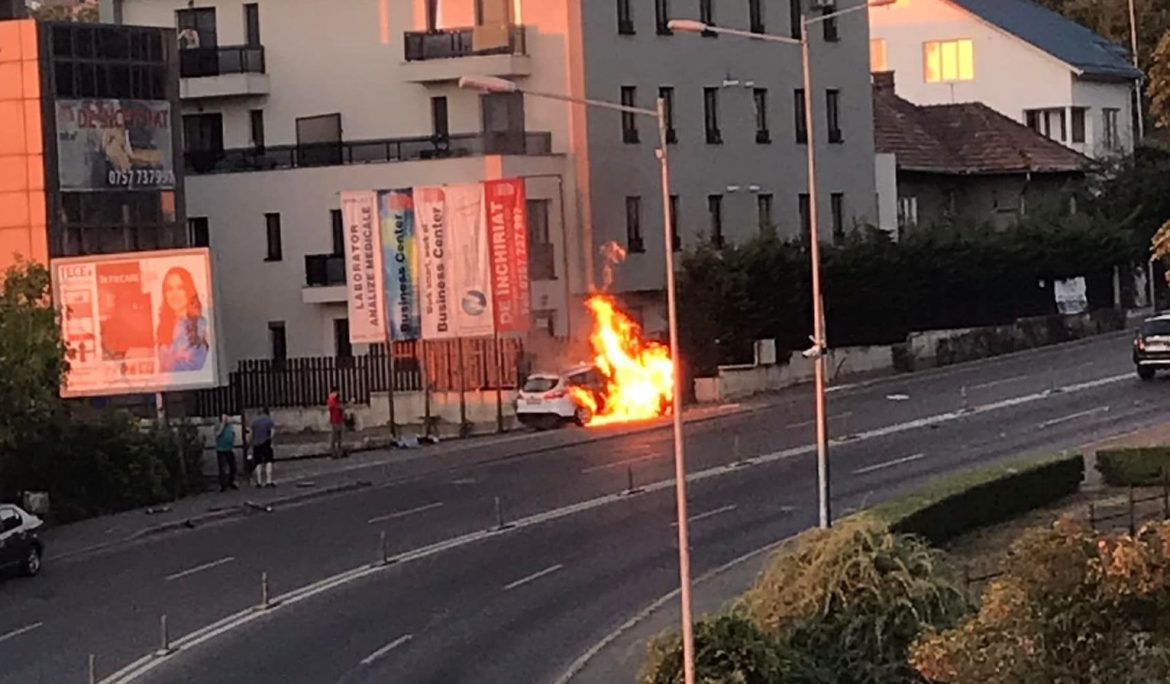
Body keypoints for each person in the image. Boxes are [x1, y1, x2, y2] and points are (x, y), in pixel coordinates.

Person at [157, 267, 210, 373]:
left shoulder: (198, 325)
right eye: (169, 289)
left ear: (189, 291)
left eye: (180, 288)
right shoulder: (164, 326)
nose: (174, 294)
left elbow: (194, 365)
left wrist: (171, 362)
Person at [250, 408, 276, 488]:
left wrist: (251, 444)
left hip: (256, 444)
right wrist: (270, 441)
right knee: (268, 461)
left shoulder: (254, 422)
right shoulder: (269, 421)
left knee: (258, 462)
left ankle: (259, 482)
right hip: (266, 443)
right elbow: (272, 432)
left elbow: (251, 434)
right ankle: (268, 481)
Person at [214, 414, 238, 492]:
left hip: (229, 449)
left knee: (233, 466)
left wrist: (232, 440)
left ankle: (231, 481)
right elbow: (217, 434)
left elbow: (233, 433)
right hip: (221, 449)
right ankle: (223, 485)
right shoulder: (218, 426)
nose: (227, 419)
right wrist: (223, 425)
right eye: (225, 418)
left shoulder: (230, 426)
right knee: (222, 468)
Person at [327, 387, 346, 459]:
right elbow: (332, 407)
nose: (337, 393)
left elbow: (341, 407)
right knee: (334, 437)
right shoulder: (331, 399)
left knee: (339, 437)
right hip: (335, 420)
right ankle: (333, 453)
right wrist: (339, 406)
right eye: (336, 392)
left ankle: (339, 452)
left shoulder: (338, 400)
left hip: (339, 420)